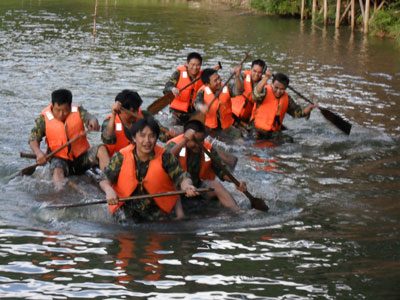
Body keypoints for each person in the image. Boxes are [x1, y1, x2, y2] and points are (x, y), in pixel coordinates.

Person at [99, 116, 198, 223]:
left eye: (151, 136)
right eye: (142, 136)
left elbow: (182, 177)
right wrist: (109, 191)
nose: (147, 141)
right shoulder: (121, 156)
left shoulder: (166, 156)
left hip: (156, 212)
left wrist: (188, 186)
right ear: (134, 138)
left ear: (156, 138)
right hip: (126, 210)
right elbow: (104, 179)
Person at [29, 89, 109, 190]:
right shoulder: (44, 119)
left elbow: (89, 117)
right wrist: (38, 153)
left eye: (65, 110)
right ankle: (61, 192)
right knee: (57, 169)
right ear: (52, 106)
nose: (61, 114)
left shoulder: (79, 111)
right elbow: (33, 138)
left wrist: (93, 121)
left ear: (70, 106)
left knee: (101, 149)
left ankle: (108, 182)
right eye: (57, 110)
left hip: (81, 158)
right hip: (59, 159)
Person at [165, 120, 246, 213]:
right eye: (194, 141)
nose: (198, 145)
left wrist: (236, 181)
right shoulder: (175, 145)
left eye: (201, 140)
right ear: (185, 137)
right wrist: (185, 141)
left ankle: (237, 212)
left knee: (216, 185)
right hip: (176, 189)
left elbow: (222, 170)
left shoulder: (207, 149)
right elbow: (165, 160)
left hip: (196, 188)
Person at [101, 89, 177, 158]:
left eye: (137, 109)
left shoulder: (144, 116)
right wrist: (114, 114)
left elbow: (162, 136)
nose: (137, 113)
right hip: (118, 159)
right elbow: (107, 139)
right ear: (122, 110)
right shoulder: (109, 122)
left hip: (141, 157)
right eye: (133, 111)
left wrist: (168, 136)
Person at [250, 70, 318, 142]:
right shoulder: (264, 91)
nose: (279, 91)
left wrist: (310, 107)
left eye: (282, 89)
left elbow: (297, 112)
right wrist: (266, 77)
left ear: (285, 88)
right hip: (256, 129)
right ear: (272, 84)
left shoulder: (287, 98)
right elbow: (256, 94)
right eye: (276, 87)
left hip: (273, 132)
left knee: (289, 140)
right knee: (254, 141)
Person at [163, 52, 221, 125]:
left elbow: (201, 95)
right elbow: (167, 87)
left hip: (192, 113)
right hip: (176, 113)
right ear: (187, 64)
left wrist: (212, 71)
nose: (195, 68)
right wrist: (173, 89)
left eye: (198, 65)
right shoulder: (179, 73)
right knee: (171, 125)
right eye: (192, 64)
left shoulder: (202, 76)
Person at [194, 67, 243, 139]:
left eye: (219, 78)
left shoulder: (226, 87)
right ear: (207, 84)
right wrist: (201, 107)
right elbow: (197, 102)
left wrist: (237, 76)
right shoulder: (202, 91)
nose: (219, 81)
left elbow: (239, 90)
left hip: (227, 127)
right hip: (210, 129)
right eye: (215, 80)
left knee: (239, 137)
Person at [231, 59, 266, 125]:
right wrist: (237, 76)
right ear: (251, 69)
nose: (256, 74)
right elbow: (239, 89)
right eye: (254, 71)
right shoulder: (243, 75)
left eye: (259, 72)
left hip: (245, 118)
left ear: (263, 73)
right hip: (232, 112)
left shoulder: (263, 86)